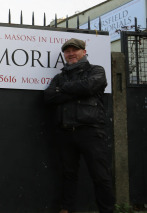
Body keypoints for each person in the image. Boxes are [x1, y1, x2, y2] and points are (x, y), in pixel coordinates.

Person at [44, 38, 114, 213]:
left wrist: (64, 89)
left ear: (83, 51)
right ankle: (67, 209)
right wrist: (76, 90)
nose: (70, 54)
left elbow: (89, 87)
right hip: (66, 132)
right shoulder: (59, 77)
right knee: (68, 175)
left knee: (100, 176)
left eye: (74, 50)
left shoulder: (96, 70)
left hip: (91, 131)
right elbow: (49, 97)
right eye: (67, 51)